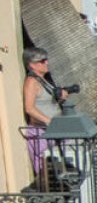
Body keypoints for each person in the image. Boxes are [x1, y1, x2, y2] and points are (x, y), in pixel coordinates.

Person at [21, 47, 67, 175]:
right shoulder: (31, 82)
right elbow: (29, 108)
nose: (46, 63)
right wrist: (48, 120)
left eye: (46, 60)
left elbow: (47, 104)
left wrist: (61, 98)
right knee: (46, 172)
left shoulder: (44, 80)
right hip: (41, 132)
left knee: (64, 166)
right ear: (32, 65)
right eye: (42, 61)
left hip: (54, 130)